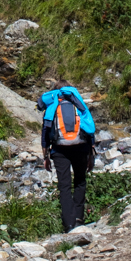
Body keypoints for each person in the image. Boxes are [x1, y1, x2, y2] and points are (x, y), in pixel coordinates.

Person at [37, 81, 96, 232]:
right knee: (80, 181)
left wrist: (45, 157)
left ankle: (68, 224)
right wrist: (91, 154)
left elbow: (45, 132)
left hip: (59, 150)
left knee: (64, 186)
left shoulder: (52, 105)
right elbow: (89, 129)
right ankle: (78, 219)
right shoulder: (78, 103)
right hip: (81, 147)